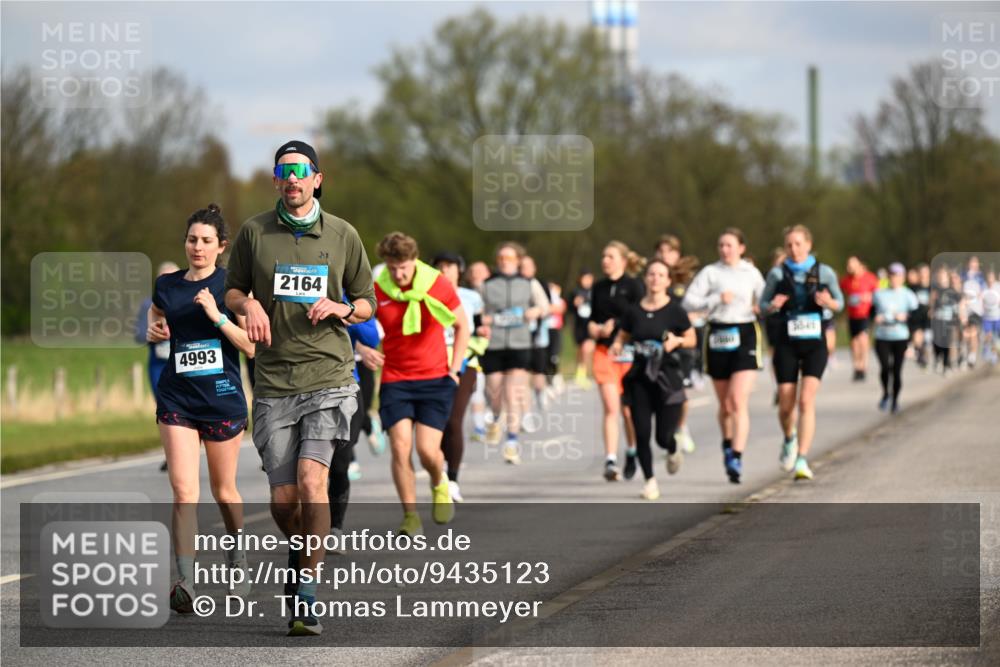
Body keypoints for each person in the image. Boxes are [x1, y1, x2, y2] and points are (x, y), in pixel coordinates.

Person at [225, 140, 375, 636]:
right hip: (273, 380)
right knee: (284, 501)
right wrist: (247, 304)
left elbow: (367, 300)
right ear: (276, 181)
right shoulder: (254, 232)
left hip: (330, 376)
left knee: (313, 483)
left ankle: (306, 593)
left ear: (317, 179)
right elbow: (232, 288)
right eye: (284, 171)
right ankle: (302, 549)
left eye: (300, 171)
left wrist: (343, 309)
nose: (292, 179)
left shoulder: (342, 234)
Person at [145, 205, 254, 614]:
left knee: (223, 492)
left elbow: (251, 346)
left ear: (221, 246)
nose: (198, 247)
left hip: (221, 398)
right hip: (177, 398)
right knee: (184, 491)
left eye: (207, 241)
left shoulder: (231, 287)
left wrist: (216, 316)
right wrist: (156, 327)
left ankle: (237, 558)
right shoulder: (167, 284)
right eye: (192, 239)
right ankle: (185, 581)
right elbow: (158, 312)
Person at [375, 233, 469, 536]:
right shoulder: (378, 287)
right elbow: (361, 323)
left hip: (434, 379)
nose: (398, 275)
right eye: (392, 268)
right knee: (400, 447)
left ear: (414, 261)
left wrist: (455, 369)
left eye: (403, 268)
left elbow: (462, 325)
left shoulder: (436, 283)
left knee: (427, 451)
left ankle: (440, 481)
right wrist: (363, 347)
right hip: (396, 379)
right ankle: (410, 516)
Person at [759, 225, 843, 481]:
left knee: (806, 401)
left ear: (808, 244)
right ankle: (789, 439)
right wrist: (773, 305)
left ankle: (802, 459)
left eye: (798, 244)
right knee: (786, 405)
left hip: (815, 343)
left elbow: (839, 303)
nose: (794, 249)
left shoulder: (824, 272)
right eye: (789, 245)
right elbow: (762, 305)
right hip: (786, 343)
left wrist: (828, 303)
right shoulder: (777, 274)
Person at [683, 228, 765, 484]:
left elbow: (766, 299)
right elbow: (688, 302)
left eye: (729, 245)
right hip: (717, 332)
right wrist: (716, 298)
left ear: (741, 248)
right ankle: (727, 444)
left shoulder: (751, 273)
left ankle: (736, 457)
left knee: (737, 400)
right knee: (725, 405)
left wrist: (761, 306)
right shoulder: (711, 272)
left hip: (745, 332)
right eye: (721, 245)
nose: (724, 249)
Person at [611, 260, 696, 500]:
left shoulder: (675, 311)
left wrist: (677, 341)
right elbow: (622, 335)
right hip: (640, 378)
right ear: (645, 279)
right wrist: (617, 345)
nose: (655, 278)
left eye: (660, 275)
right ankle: (649, 481)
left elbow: (692, 339)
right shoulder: (634, 311)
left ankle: (672, 447)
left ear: (668, 281)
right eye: (651, 274)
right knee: (641, 432)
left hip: (667, 378)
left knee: (662, 437)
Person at [479, 242, 549, 464]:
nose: (504, 262)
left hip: (520, 344)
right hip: (494, 345)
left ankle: (511, 442)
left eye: (509, 258)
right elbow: (477, 312)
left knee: (512, 392)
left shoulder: (528, 283)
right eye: (501, 258)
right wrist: (484, 320)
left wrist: (534, 311)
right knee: (495, 393)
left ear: (518, 261)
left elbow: (545, 306)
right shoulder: (487, 285)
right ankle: (495, 416)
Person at [432, 251, 486, 503]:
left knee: (454, 420)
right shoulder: (427, 294)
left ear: (459, 270)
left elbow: (480, 326)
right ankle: (439, 469)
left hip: (465, 362)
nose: (445, 270)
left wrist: (482, 334)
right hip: (434, 363)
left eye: (450, 266)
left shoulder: (471, 297)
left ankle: (452, 480)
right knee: (436, 422)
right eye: (440, 266)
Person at [588, 241, 644, 481]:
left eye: (610, 256)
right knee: (611, 408)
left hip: (629, 354)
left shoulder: (634, 286)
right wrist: (595, 328)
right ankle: (610, 460)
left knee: (628, 411)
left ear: (623, 260)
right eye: (603, 256)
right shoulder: (598, 287)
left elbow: (641, 318)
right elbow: (591, 319)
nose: (605, 261)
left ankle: (632, 451)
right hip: (604, 353)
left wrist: (619, 327)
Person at [328, 314, 382, 546]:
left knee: (339, 464)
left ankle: (335, 528)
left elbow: (371, 336)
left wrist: (348, 313)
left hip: (346, 385)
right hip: (298, 387)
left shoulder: (348, 296)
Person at [136, 261, 181, 473]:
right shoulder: (149, 304)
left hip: (182, 363)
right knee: (164, 408)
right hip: (158, 364)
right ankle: (170, 454)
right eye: (164, 277)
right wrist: (154, 333)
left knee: (184, 407)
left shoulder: (188, 299)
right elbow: (139, 335)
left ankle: (183, 451)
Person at [872, 263, 919, 413]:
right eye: (892, 275)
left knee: (897, 371)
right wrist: (876, 317)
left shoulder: (908, 295)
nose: (894, 278)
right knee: (885, 367)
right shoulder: (879, 294)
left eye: (897, 275)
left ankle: (895, 401)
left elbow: (917, 316)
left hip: (900, 337)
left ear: (903, 278)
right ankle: (886, 393)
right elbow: (871, 312)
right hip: (882, 336)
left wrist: (906, 316)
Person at [840, 256, 879, 382]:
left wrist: (869, 297)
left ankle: (863, 366)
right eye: (848, 265)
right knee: (854, 343)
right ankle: (857, 367)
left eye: (852, 264)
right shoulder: (846, 280)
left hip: (865, 314)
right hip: (852, 315)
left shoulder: (870, 278)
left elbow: (879, 294)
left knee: (863, 339)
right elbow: (838, 291)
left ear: (860, 265)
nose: (849, 267)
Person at [465, 261, 492, 442]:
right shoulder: (464, 294)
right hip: (474, 347)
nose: (476, 274)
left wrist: (490, 320)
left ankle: (495, 415)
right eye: (473, 271)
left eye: (480, 271)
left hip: (495, 345)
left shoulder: (495, 291)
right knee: (478, 387)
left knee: (494, 386)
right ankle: (479, 426)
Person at [929, 266, 961, 375]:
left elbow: (959, 303)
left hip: (949, 320)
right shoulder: (935, 290)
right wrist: (931, 309)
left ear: (947, 276)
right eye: (939, 275)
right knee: (937, 340)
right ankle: (938, 358)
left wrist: (960, 315)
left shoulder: (952, 290)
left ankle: (946, 364)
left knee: (947, 342)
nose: (941, 277)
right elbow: (931, 303)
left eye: (943, 274)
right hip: (938, 319)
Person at [570, 270, 596, 388]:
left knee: (587, 348)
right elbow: (569, 308)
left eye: (589, 278)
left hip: (590, 325)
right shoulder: (576, 292)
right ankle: (580, 374)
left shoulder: (595, 292)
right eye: (585, 278)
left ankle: (584, 374)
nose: (587, 281)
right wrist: (574, 304)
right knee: (581, 350)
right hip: (579, 325)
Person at [907, 264, 932, 368]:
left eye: (925, 272)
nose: (923, 275)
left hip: (929, 318)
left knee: (927, 340)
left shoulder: (933, 287)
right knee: (917, 337)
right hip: (916, 317)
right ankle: (921, 356)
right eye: (921, 272)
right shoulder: (914, 287)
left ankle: (923, 356)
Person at [981, 269, 1000, 365]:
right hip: (987, 317)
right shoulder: (983, 287)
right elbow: (980, 299)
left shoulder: (998, 287)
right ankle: (987, 352)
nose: (990, 280)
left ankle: (995, 355)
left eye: (992, 277)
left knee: (996, 337)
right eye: (989, 278)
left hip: (997, 317)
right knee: (988, 336)